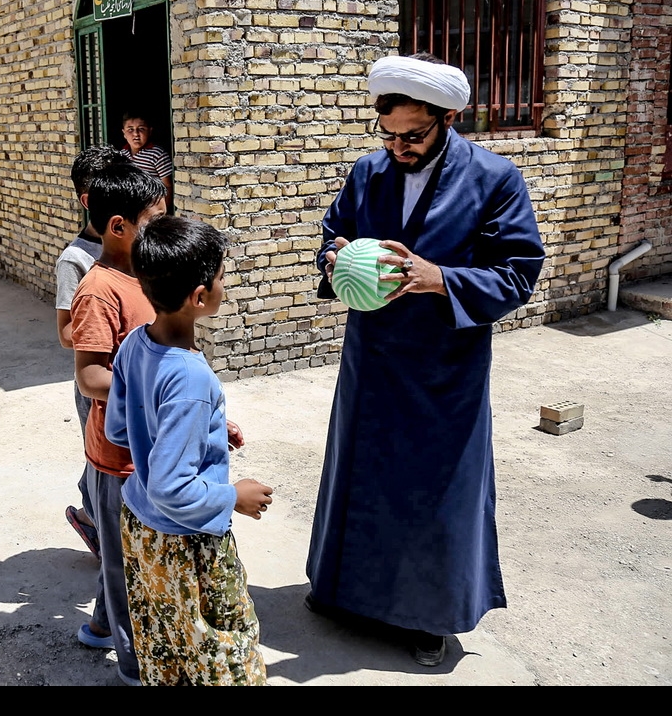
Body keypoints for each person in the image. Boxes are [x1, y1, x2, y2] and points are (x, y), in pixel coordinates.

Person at [306, 53, 546, 666]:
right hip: (373, 359)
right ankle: (345, 594)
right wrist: (334, 262)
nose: (397, 147)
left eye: (412, 136)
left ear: (449, 118)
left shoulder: (494, 179)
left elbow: (517, 274)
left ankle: (427, 617)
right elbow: (332, 237)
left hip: (445, 367)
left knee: (433, 490)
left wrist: (439, 278)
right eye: (387, 134)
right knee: (362, 476)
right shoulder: (368, 172)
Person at [107, 215, 273, 686]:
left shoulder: (135, 345)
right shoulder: (192, 378)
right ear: (200, 297)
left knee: (166, 643)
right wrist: (232, 496)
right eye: (221, 277)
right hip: (189, 542)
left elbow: (122, 429)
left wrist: (209, 431)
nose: (224, 284)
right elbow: (171, 487)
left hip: (142, 532)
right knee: (223, 650)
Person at [69, 163, 166, 684]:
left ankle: (103, 625)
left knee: (126, 552)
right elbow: (89, 376)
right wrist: (156, 393)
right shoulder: (99, 289)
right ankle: (131, 668)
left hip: (146, 448)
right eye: (156, 220)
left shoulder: (144, 276)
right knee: (123, 565)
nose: (164, 227)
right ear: (117, 227)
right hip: (117, 456)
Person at [56, 145, 127, 559]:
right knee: (102, 458)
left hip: (130, 372)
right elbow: (67, 332)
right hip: (98, 379)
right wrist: (103, 328)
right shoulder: (76, 260)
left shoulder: (131, 246)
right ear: (90, 200)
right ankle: (97, 523)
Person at [119, 112, 173, 210]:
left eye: (141, 129)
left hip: (151, 210)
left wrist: (161, 212)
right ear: (124, 133)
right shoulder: (122, 155)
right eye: (130, 129)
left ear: (150, 131)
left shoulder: (157, 154)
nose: (136, 134)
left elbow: (168, 187)